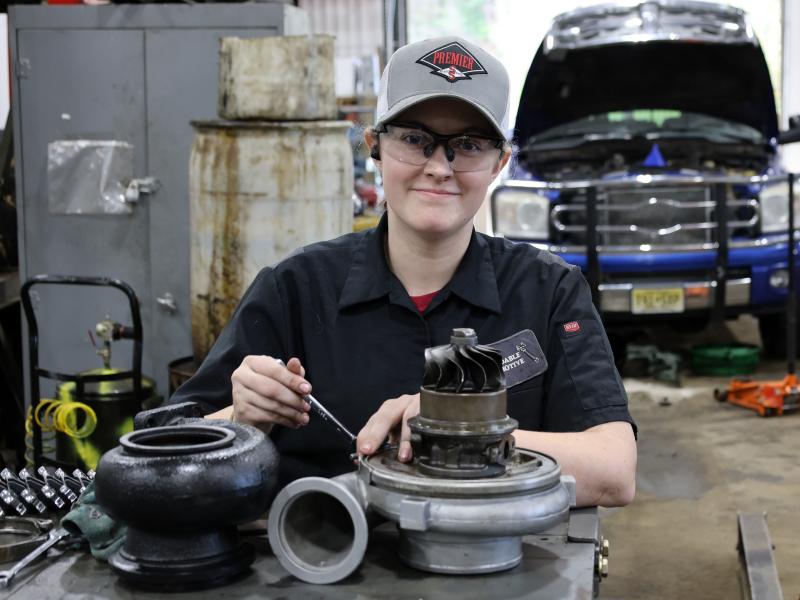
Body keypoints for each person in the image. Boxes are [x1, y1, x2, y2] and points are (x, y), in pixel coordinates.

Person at [172, 36, 637, 507]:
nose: (439, 167)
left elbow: (615, 471)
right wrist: (240, 421)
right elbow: (168, 456)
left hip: (497, 551)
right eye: (415, 139)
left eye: (468, 145)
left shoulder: (548, 291)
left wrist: (464, 431)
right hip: (319, 549)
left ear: (499, 163)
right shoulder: (295, 289)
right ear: (374, 146)